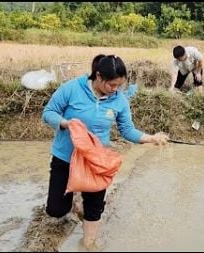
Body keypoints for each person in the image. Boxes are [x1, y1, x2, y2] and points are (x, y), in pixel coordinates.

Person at [42, 54, 169, 251]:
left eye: (119, 85)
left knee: (94, 209)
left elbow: (127, 130)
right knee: (56, 209)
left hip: (96, 162)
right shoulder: (72, 88)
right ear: (98, 76)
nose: (115, 89)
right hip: (65, 157)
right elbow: (49, 112)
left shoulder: (119, 100)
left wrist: (151, 138)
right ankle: (74, 205)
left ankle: (89, 244)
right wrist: (66, 123)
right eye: (112, 85)